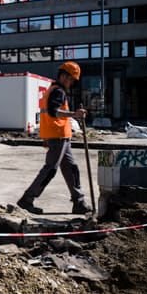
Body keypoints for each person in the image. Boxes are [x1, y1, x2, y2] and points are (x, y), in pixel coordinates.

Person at [17, 61, 92, 215]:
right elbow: (53, 112)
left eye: (73, 80)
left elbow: (47, 116)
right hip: (58, 137)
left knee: (71, 170)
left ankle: (79, 202)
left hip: (62, 137)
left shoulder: (53, 90)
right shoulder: (58, 91)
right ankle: (27, 199)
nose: (71, 83)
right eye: (70, 79)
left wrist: (45, 137)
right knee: (50, 169)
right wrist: (74, 115)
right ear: (63, 76)